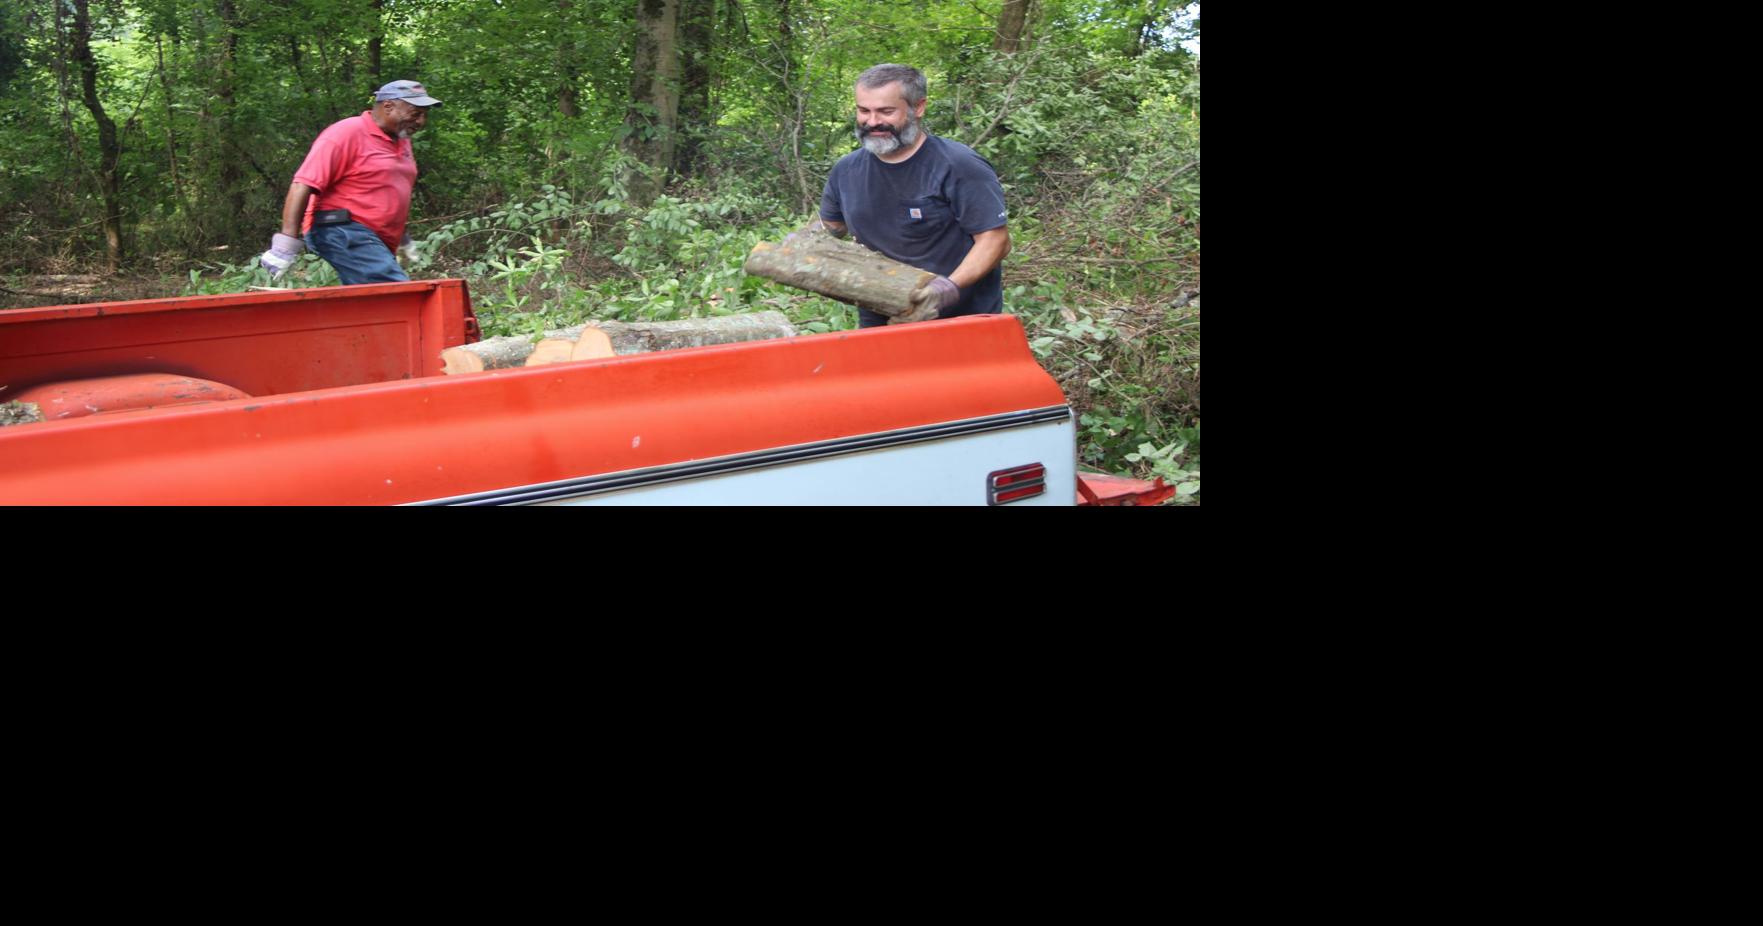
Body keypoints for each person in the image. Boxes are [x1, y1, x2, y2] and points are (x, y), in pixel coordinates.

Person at [816, 63, 1010, 328]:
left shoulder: (958, 165)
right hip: (880, 317)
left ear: (918, 107)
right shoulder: (846, 170)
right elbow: (831, 226)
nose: (872, 122)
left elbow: (995, 241)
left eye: (886, 111)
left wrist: (944, 290)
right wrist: (797, 247)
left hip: (962, 321)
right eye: (864, 111)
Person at [259, 80, 441, 285]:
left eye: (425, 115)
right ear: (388, 106)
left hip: (373, 238)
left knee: (370, 302)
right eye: (415, 113)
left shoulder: (401, 141)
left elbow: (385, 191)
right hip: (341, 229)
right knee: (396, 293)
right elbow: (303, 184)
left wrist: (401, 238)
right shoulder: (346, 133)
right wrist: (285, 245)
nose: (421, 121)